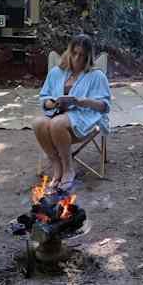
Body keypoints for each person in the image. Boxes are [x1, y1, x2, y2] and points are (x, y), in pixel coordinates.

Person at [34, 34, 112, 191]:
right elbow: (44, 96)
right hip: (57, 114)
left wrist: (83, 101)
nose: (77, 58)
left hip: (86, 118)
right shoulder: (56, 72)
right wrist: (50, 103)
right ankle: (57, 165)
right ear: (69, 52)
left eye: (82, 55)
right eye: (74, 53)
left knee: (57, 123)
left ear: (88, 57)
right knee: (38, 123)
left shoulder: (96, 76)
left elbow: (104, 106)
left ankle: (69, 169)